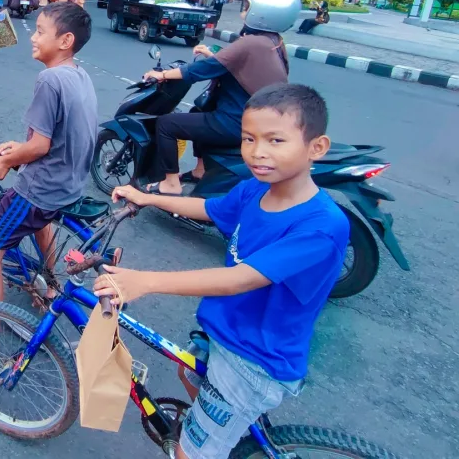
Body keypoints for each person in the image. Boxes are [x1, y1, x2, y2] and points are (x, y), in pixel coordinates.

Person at [101, 84, 348, 459]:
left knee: (189, 453)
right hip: (224, 330)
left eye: (275, 140)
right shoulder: (256, 189)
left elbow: (240, 279)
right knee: (189, 372)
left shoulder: (321, 226)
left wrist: (145, 281)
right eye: (249, 138)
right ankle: (222, 433)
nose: (257, 152)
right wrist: (148, 197)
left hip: (252, 358)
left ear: (316, 147)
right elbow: (212, 209)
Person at [0, 2, 97, 369]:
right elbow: (54, 138)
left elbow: (40, 146)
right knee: (42, 223)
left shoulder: (49, 79)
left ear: (65, 40)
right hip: (68, 186)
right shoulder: (78, 75)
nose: (32, 38)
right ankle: (51, 285)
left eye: (39, 31)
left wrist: (6, 160)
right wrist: (16, 148)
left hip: (40, 187)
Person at [144, 0, 300, 195]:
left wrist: (160, 74)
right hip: (256, 120)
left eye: (247, 5)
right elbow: (239, 66)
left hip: (236, 121)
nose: (243, 9)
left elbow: (202, 70)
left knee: (166, 124)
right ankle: (200, 171)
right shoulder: (274, 43)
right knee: (198, 112)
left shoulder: (251, 43)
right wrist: (212, 55)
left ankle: (170, 184)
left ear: (263, 12)